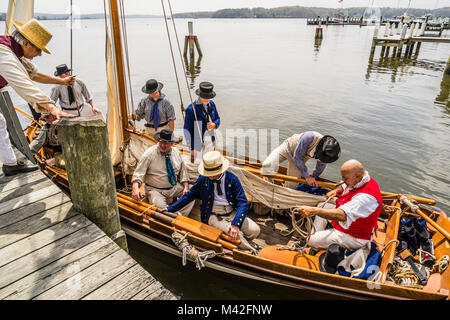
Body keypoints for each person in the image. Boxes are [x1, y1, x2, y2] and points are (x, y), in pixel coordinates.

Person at [0, 19, 74, 176]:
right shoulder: (4, 54)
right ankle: (10, 164)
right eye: (39, 49)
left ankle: (10, 164)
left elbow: (34, 74)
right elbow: (24, 84)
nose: (40, 54)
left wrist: (62, 81)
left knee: (0, 123)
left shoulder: (12, 51)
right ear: (26, 44)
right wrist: (52, 107)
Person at [163, 151, 260, 251]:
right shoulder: (203, 179)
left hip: (232, 212)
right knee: (237, 236)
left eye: (211, 173)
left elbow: (242, 203)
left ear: (220, 170)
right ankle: (250, 250)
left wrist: (235, 224)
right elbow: (189, 196)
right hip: (212, 214)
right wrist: (170, 209)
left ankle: (240, 242)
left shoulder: (232, 179)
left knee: (255, 230)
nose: (209, 175)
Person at [294, 159, 383, 251]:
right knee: (323, 205)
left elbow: (342, 215)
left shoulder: (365, 198)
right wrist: (336, 190)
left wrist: (314, 211)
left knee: (310, 239)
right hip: (352, 223)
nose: (343, 180)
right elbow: (345, 185)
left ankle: (313, 242)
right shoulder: (360, 179)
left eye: (345, 178)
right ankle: (317, 237)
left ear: (357, 176)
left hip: (355, 236)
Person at [131, 129, 194, 216]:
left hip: (173, 187)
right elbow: (138, 173)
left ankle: (180, 216)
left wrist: (186, 187)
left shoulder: (176, 152)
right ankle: (175, 217)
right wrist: (135, 188)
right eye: (161, 142)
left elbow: (183, 171)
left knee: (192, 192)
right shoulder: (149, 154)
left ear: (172, 143)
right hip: (155, 190)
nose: (163, 145)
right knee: (160, 208)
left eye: (166, 143)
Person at [261, 131, 340, 189]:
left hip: (301, 159)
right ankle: (269, 188)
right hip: (288, 148)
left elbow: (320, 167)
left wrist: (314, 176)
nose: (321, 159)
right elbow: (297, 157)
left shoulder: (326, 155)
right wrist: (306, 176)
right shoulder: (309, 137)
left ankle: (284, 194)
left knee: (292, 186)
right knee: (267, 164)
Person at [183, 81, 220, 163]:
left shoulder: (212, 104)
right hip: (197, 140)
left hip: (210, 138)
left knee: (209, 161)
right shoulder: (191, 109)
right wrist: (192, 148)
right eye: (204, 97)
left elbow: (218, 119)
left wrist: (214, 124)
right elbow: (187, 130)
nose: (207, 99)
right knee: (198, 163)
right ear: (199, 95)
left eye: (208, 97)